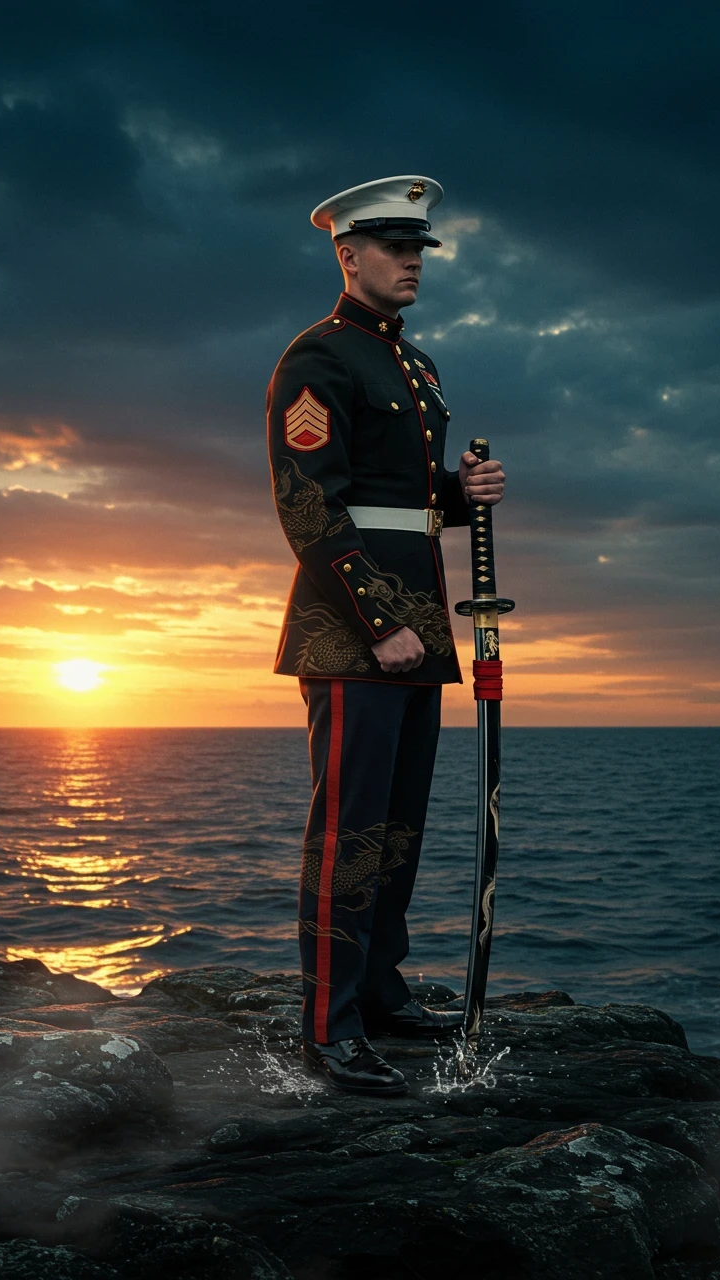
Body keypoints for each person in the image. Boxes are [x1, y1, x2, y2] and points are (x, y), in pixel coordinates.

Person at [266, 175, 506, 1096]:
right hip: (353, 635)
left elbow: (403, 503)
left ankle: (378, 993)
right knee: (347, 831)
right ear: (348, 253)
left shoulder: (416, 364)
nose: (413, 261)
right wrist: (380, 626)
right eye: (396, 248)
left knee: (398, 828)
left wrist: (457, 496)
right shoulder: (317, 359)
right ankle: (327, 1032)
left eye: (421, 250)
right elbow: (308, 505)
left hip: (417, 635)